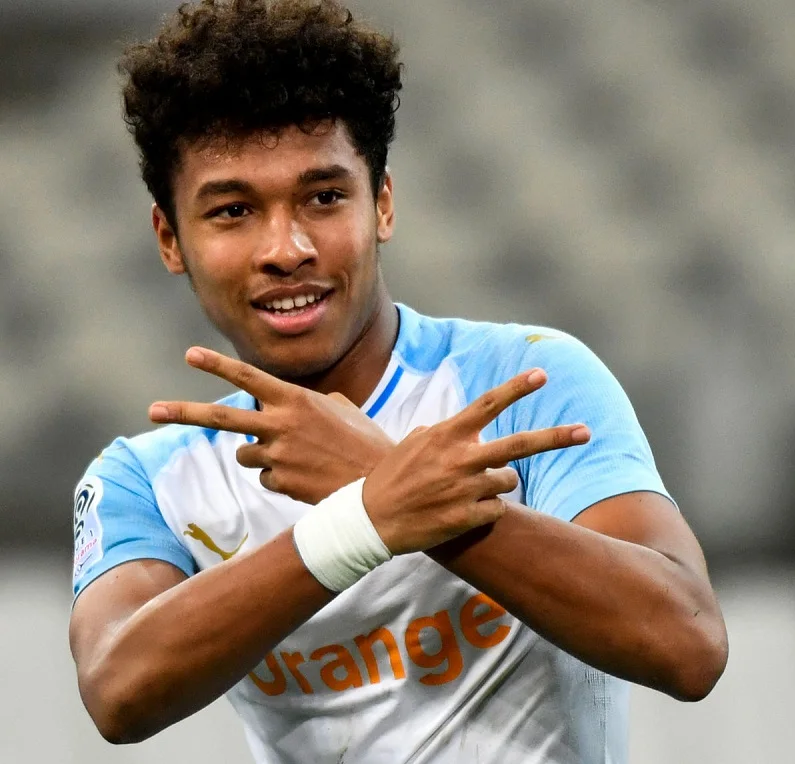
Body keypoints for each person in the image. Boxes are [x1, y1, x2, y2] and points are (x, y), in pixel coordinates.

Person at [67, 1, 728, 762]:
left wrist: (383, 483)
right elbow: (118, 689)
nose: (286, 248)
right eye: (233, 210)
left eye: (324, 197)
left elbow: (687, 644)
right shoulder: (147, 479)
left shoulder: (527, 381)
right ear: (169, 239)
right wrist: (365, 518)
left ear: (381, 203)